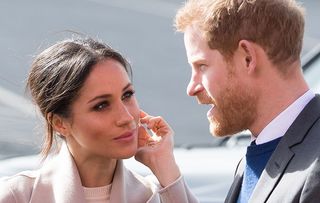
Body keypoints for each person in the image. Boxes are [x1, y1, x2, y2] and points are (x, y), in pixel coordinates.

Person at [0, 37, 197, 203]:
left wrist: (164, 165)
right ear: (59, 123)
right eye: (101, 105)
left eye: (127, 95)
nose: (126, 118)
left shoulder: (153, 195)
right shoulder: (18, 196)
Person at [175, 0, 320, 202]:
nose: (192, 88)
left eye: (202, 66)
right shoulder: (256, 154)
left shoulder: (314, 164)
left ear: (248, 58)